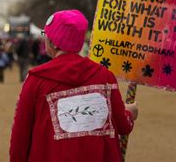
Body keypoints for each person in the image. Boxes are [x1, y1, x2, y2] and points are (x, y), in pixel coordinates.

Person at [10, 10, 138, 162]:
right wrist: (130, 113)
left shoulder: (36, 80)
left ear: (53, 42)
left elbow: (20, 136)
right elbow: (123, 126)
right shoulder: (105, 76)